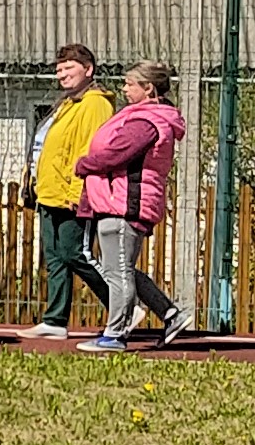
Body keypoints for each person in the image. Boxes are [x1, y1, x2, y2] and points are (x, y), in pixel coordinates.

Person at [73, 61, 194, 351]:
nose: (124, 89)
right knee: (122, 268)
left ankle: (115, 335)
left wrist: (83, 164)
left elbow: (116, 154)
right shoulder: (144, 117)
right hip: (119, 199)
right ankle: (170, 313)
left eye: (130, 84)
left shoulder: (146, 122)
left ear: (148, 88)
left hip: (125, 202)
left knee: (118, 272)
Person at [26, 45, 117, 340]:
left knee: (75, 253)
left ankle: (121, 306)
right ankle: (55, 319)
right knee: (55, 258)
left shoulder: (94, 104)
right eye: (59, 69)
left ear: (88, 69)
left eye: (69, 68)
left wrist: (77, 192)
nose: (61, 74)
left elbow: (90, 150)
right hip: (48, 192)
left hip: (71, 194)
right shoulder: (67, 103)